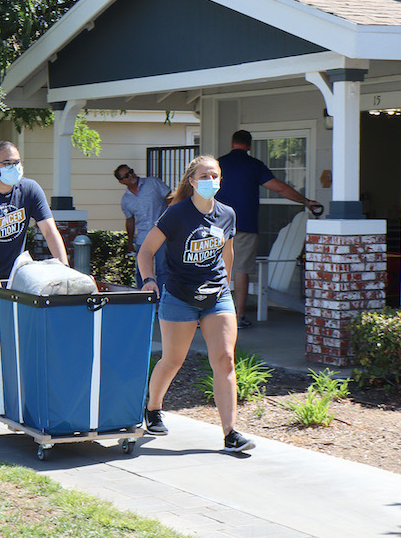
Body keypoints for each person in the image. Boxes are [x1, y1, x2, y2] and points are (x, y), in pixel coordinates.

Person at [137, 155, 255, 452]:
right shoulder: (176, 214)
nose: (210, 181)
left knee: (225, 359)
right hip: (180, 296)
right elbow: (146, 251)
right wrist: (149, 280)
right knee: (173, 360)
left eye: (214, 176)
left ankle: (230, 433)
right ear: (191, 181)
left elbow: (227, 253)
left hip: (217, 296)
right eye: (204, 176)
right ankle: (153, 408)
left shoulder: (227, 214)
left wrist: (226, 286)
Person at [0, 141, 69, 421]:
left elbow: (49, 230)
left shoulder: (29, 189)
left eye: (17, 162)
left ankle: (10, 400)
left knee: (14, 339)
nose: (14, 167)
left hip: (13, 277)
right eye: (7, 163)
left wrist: (65, 269)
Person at [217, 130, 320, 329]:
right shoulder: (254, 165)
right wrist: (305, 201)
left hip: (217, 225)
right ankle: (239, 316)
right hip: (244, 225)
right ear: (249, 145)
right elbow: (279, 188)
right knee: (241, 269)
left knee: (212, 268)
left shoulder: (218, 164)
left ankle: (206, 314)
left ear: (232, 143)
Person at [115, 164, 171, 290]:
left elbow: (170, 198)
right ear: (122, 182)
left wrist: (170, 221)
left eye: (131, 171)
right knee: (141, 271)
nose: (131, 175)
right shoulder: (126, 200)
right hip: (143, 238)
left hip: (161, 234)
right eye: (126, 175)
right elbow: (130, 221)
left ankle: (162, 299)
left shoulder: (153, 183)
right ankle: (143, 297)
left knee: (162, 269)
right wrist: (130, 243)